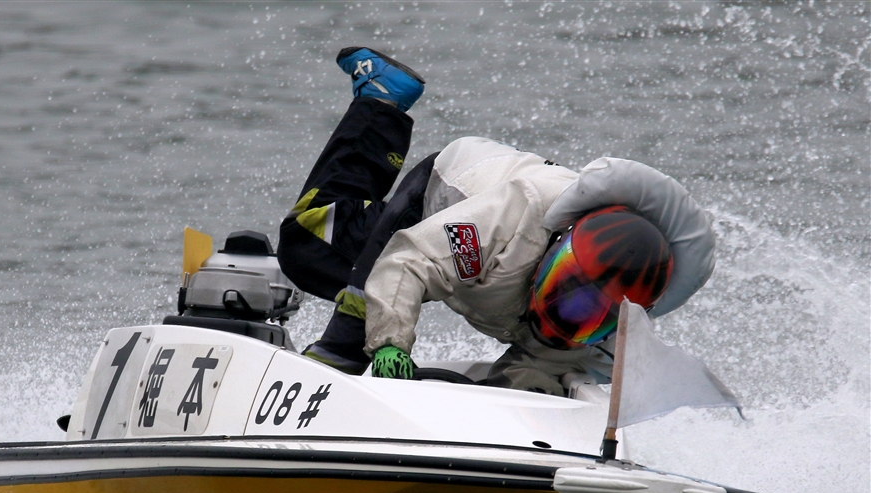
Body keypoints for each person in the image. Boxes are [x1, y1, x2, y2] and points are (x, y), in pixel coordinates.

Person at [277, 47, 716, 395]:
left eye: (587, 315)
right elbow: (410, 262)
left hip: (502, 214)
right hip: (447, 188)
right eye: (565, 289)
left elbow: (530, 374)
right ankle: (382, 101)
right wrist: (391, 343)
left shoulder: (599, 342)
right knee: (310, 247)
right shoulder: (510, 225)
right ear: (557, 249)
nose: (565, 315)